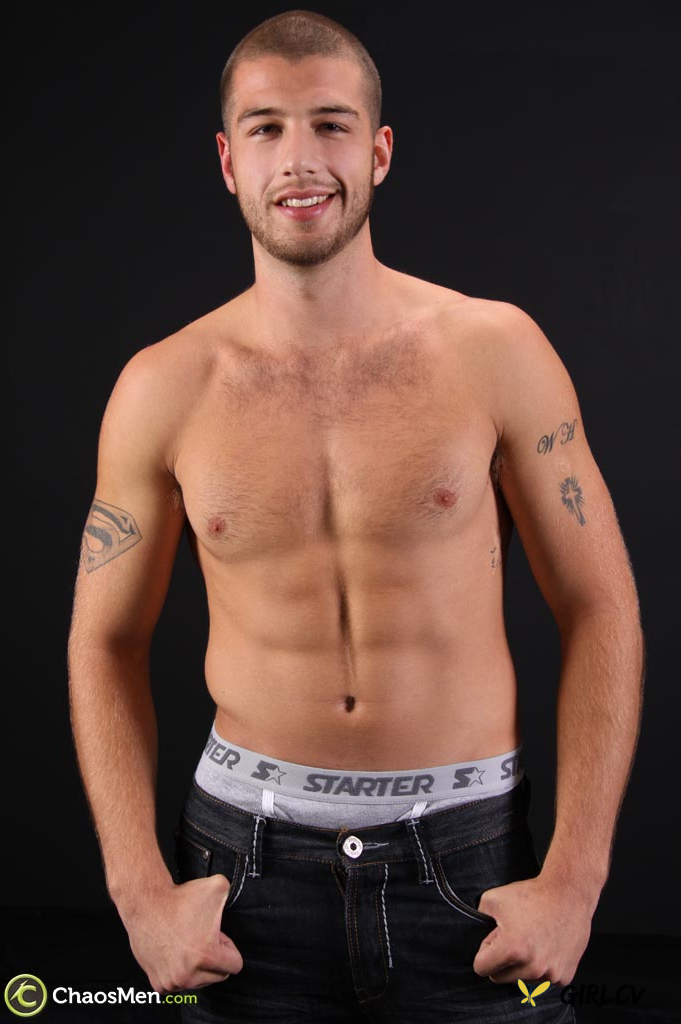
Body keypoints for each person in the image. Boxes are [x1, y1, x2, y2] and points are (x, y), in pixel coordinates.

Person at [67, 9, 645, 1023]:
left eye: (330, 124)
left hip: (467, 864)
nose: (300, 159)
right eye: (265, 127)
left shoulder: (494, 351)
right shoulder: (162, 386)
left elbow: (601, 609)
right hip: (240, 870)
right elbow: (103, 642)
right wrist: (138, 891)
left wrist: (575, 879)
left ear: (377, 152)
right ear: (228, 161)